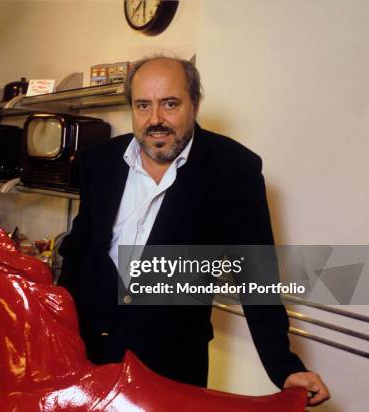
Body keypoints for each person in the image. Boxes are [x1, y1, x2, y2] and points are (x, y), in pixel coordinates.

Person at [57, 56, 330, 406]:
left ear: (195, 104)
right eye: (143, 105)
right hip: (90, 353)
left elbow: (255, 274)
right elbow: (78, 252)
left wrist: (284, 366)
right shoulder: (99, 163)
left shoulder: (233, 169)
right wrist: (55, 325)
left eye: (170, 104)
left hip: (171, 365)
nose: (155, 119)